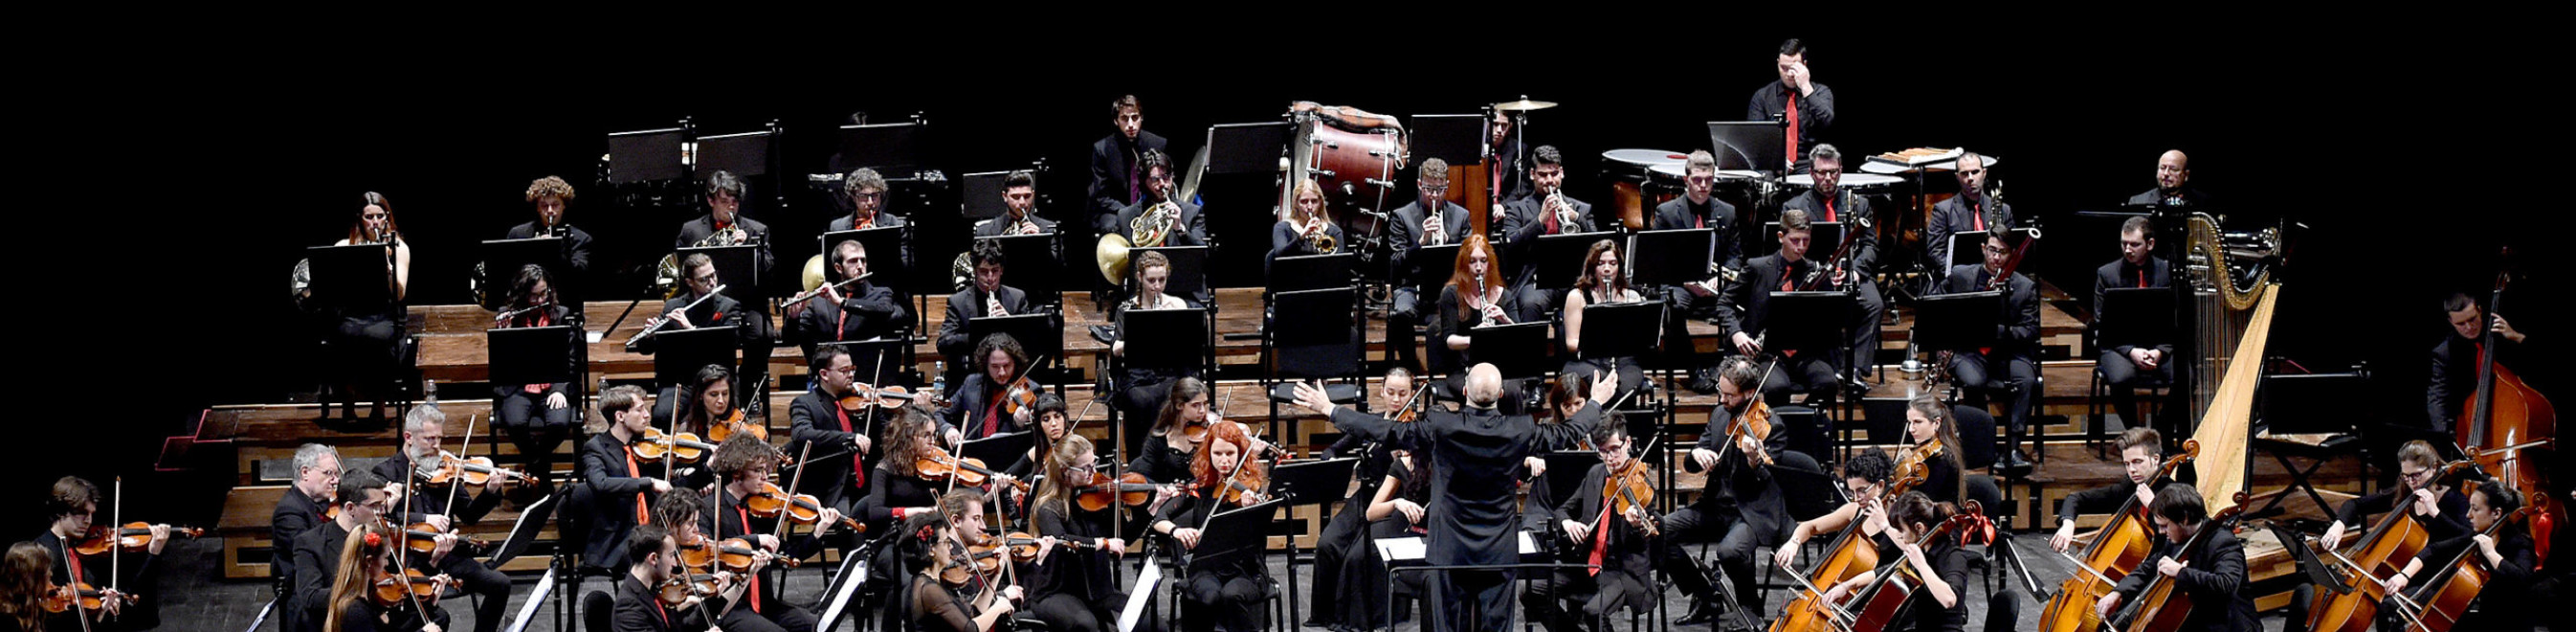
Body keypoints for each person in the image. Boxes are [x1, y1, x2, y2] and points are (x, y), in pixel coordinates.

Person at [1294, 364, 1615, 632]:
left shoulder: (1441, 425)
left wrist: (1330, 409)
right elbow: (1567, 433)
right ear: (1502, 395)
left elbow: (1384, 430)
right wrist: (1595, 403)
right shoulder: (1519, 428)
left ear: (1464, 393)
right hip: (1497, 553)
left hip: (1449, 550)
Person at [1669, 356, 1796, 624]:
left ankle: (1750, 609)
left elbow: (1767, 479)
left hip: (1750, 512)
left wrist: (1753, 460)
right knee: (1657, 529)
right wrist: (1698, 452)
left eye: (1728, 395)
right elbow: (1692, 463)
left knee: (1730, 551)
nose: (1721, 400)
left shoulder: (1773, 426)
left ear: (1749, 393)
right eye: (1720, 391)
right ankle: (1705, 594)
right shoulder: (1719, 415)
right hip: (1715, 507)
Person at [370, 406, 509, 632]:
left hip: (448, 555)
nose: (437, 446)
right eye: (429, 439)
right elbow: (384, 517)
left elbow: (470, 514)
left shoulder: (444, 467)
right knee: (437, 616)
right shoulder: (385, 472)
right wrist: (425, 518)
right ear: (409, 438)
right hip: (409, 560)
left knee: (500, 584)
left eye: (439, 438)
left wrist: (491, 490)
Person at [1307, 368, 1418, 628]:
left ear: (1412, 395)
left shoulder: (1414, 430)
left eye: (1403, 394)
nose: (1396, 399)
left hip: (1397, 501)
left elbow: (1418, 479)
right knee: (1328, 544)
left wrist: (1400, 460)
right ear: (1381, 391)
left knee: (1359, 556)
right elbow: (1333, 449)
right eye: (1390, 392)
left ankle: (1356, 618)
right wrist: (1332, 459)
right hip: (1366, 495)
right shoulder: (1371, 423)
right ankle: (1324, 614)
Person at [1527, 424, 1657, 632]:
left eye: (1615, 449)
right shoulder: (1596, 474)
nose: (1610, 458)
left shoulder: (1643, 487)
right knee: (1531, 591)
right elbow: (1562, 510)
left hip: (1621, 571)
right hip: (1588, 564)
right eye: (1603, 451)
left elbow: (1638, 546)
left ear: (1628, 443)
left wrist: (1635, 526)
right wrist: (1568, 523)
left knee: (1593, 612)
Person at [1146, 420, 1274, 632]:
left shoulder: (1249, 489)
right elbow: (1159, 517)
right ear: (1209, 454)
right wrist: (1176, 530)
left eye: (1230, 453)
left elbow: (1259, 533)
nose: (1224, 460)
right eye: (1218, 453)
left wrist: (1249, 510)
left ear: (1241, 453)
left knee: (1232, 595)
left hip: (1245, 570)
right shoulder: (1200, 486)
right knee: (1209, 596)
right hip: (1206, 569)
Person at [1779, 144, 1887, 386]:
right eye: (1821, 172)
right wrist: (1822, 275)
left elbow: (1871, 247)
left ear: (1841, 170)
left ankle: (1854, 371)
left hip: (1850, 274)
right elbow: (1790, 250)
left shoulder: (1859, 204)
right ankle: (1824, 366)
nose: (1828, 178)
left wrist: (1857, 273)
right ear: (1811, 173)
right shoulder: (1794, 207)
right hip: (1813, 276)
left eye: (1833, 172)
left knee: (1874, 304)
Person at [701, 436, 833, 632]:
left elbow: (787, 556)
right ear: (737, 472)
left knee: (811, 624)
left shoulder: (762, 511)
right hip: (729, 606)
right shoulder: (709, 508)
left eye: (766, 470)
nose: (765, 477)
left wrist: (817, 532)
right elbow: (707, 548)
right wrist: (756, 540)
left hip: (764, 603)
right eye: (757, 470)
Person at [1719, 210, 1844, 406]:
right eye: (1795, 240)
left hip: (1806, 353)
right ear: (1780, 237)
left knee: (1827, 384)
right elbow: (1724, 302)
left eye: (1806, 240)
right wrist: (1737, 334)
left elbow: (1831, 317)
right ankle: (1778, 431)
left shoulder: (1816, 272)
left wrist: (1834, 289)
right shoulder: (1757, 267)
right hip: (1768, 352)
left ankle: (1804, 425)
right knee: (1777, 388)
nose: (1801, 247)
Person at [1943, 230, 2042, 470]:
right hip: (1969, 351)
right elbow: (1941, 309)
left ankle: (2013, 448)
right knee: (1973, 381)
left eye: (2003, 252)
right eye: (1992, 250)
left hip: (2008, 352)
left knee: (2026, 380)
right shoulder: (1960, 276)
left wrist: (1992, 330)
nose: (1996, 257)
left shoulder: (2024, 287)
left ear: (2012, 254)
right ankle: (1982, 443)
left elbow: (2029, 331)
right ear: (1983, 248)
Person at [2093, 485, 2254, 632]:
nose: (2162, 532)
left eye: (2164, 525)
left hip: (2223, 624)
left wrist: (2180, 572)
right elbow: (2148, 568)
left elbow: (2226, 583)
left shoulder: (2222, 542)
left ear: (2184, 519)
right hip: (2192, 617)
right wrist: (2118, 593)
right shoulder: (2177, 539)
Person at [2379, 484, 2539, 632]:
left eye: (2475, 509)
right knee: (2389, 609)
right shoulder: (2479, 535)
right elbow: (2433, 550)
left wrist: (2492, 554)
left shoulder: (2520, 543)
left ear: (2497, 513)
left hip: (2509, 622)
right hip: (2481, 613)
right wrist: (2404, 575)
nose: (2468, 515)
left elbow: (2522, 579)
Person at [676, 170, 777, 397]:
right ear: (710, 200)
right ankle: (700, 391)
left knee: (764, 336)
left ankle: (745, 384)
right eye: (724, 201)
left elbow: (769, 269)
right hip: (706, 305)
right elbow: (681, 269)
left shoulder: (756, 230)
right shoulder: (691, 231)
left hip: (745, 303)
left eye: (735, 201)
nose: (731, 207)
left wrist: (748, 248)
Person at [1653, 150, 1743, 394]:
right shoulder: (1667, 212)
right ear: (1686, 179)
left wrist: (1720, 278)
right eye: (1697, 180)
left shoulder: (1728, 211)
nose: (1703, 186)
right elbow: (1659, 259)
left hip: (1716, 282)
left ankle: (1725, 368)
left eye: (1709, 180)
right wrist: (1687, 281)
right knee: (1672, 307)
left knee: (1750, 301)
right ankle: (1694, 371)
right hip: (1681, 282)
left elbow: (1735, 257)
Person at [1817, 492, 1971, 632]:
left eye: (1901, 531)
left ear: (1919, 528)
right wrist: (1846, 586)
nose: (1899, 537)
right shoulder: (1922, 549)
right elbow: (1885, 572)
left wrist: (1922, 565)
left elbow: (1949, 600)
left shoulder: (1954, 556)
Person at [320, 192, 411, 423]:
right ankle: (347, 402)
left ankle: (378, 404)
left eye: (380, 216)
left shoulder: (398, 247)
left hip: (386, 315)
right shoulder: (345, 246)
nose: (375, 222)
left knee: (377, 337)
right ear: (360, 218)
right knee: (345, 334)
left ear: (387, 218)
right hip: (355, 314)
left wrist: (388, 266)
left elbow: (400, 293)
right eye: (369, 217)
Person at [1025, 435, 1127, 632]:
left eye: (1093, 463)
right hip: (1054, 591)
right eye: (1086, 468)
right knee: (1086, 625)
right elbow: (1063, 542)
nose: (1094, 472)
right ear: (1065, 471)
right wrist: (1103, 543)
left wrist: (1152, 508)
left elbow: (1127, 537)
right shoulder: (1048, 507)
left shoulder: (1094, 498)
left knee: (1150, 622)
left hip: (1094, 591)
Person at [33, 477, 163, 632]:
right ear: (61, 512)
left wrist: (153, 553)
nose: (89, 520)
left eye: (91, 514)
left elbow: (130, 591)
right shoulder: (40, 554)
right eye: (82, 513)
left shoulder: (90, 550)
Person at [490, 264, 577, 494]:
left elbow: (571, 358)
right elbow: (501, 364)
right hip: (518, 386)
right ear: (522, 294)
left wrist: (559, 389)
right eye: (534, 295)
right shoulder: (507, 315)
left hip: (553, 385)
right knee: (515, 422)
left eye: (544, 293)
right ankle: (542, 469)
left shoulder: (562, 314)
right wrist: (504, 333)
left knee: (559, 422)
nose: (540, 300)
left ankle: (535, 466)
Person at [782, 346, 878, 540]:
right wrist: (848, 438)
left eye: (852, 369)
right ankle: (852, 569)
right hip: (831, 488)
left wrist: (878, 406)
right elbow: (801, 434)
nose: (851, 375)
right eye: (844, 371)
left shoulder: (860, 401)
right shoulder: (805, 404)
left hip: (865, 484)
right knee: (852, 525)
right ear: (824, 374)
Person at [633, 254, 761, 398]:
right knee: (663, 416)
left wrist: (690, 329)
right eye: (703, 280)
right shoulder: (673, 306)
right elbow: (644, 349)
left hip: (716, 382)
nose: (712, 283)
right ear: (690, 282)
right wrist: (649, 335)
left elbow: (727, 345)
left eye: (713, 275)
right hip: (681, 382)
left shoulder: (729, 307)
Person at [1388, 159, 1475, 373]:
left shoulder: (1461, 216)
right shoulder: (1402, 216)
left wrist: (1448, 243)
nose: (1434, 195)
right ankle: (1411, 367)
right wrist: (1421, 242)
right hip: (1413, 286)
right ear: (1419, 185)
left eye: (1439, 189)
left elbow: (1471, 258)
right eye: (1429, 189)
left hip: (1447, 286)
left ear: (1446, 185)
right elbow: (1396, 260)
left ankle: (1454, 370)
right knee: (1400, 313)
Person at [1108, 250, 1199, 453]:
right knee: (1139, 400)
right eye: (1151, 281)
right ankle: (1140, 458)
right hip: (1139, 376)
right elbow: (1115, 348)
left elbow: (1188, 345)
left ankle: (1176, 454)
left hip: (1170, 372)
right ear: (1140, 278)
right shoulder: (1127, 308)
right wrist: (1143, 334)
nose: (1157, 286)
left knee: (1177, 395)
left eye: (1161, 280)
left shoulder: (1177, 305)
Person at [2094, 217, 2176, 438]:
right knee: (2120, 377)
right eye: (2124, 244)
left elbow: (2177, 318)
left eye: (2134, 244)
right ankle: (2136, 433)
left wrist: (2160, 351)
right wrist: (2131, 351)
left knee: (2186, 378)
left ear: (2150, 244)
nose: (2127, 249)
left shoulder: (2169, 272)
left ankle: (2161, 431)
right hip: (2119, 345)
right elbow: (2102, 322)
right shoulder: (2107, 274)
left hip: (2160, 345)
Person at [583, 385, 677, 575]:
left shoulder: (643, 446)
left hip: (650, 533)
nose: (647, 415)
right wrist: (647, 482)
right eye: (639, 409)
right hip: (618, 540)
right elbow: (601, 484)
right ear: (620, 416)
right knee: (656, 561)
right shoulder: (596, 448)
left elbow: (666, 480)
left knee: (676, 557)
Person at [2319, 440, 2472, 552]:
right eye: (2406, 476)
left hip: (2435, 576)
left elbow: (2468, 538)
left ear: (2434, 468)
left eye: (2417, 475)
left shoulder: (2454, 499)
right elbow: (2355, 505)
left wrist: (2435, 513)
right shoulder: (2405, 492)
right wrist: (2339, 525)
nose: (2412, 481)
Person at [295, 470, 399, 632]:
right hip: (338, 622)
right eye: (375, 506)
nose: (383, 512)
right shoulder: (310, 542)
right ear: (350, 508)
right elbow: (311, 597)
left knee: (437, 617)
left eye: (382, 505)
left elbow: (395, 578)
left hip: (377, 615)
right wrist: (358, 588)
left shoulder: (378, 534)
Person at [1500, 146, 1596, 320]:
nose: (1549, 180)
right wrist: (1539, 221)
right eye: (1543, 175)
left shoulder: (1581, 208)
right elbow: (1509, 245)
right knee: (1531, 305)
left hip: (1575, 281)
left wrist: (1576, 218)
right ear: (1532, 175)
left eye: (1554, 174)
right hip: (1535, 282)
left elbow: (1598, 248)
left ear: (1562, 173)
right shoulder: (1516, 209)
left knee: (1596, 300)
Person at [2052, 429, 2181, 552]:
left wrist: (2154, 507)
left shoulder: (2172, 492)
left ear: (2155, 459)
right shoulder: (2128, 486)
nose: (2132, 470)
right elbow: (2076, 499)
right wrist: (2067, 524)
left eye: (2137, 462)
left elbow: (2172, 542)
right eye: (2127, 464)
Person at [1772, 449, 1900, 571]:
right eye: (1852, 492)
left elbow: (1912, 550)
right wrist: (1794, 542)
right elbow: (1811, 526)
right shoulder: (1855, 510)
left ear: (1880, 485)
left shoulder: (1900, 513)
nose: (1856, 498)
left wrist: (1885, 526)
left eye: (1862, 491)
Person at [899, 510, 1025, 632]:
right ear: (931, 549)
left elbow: (973, 613)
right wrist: (998, 607)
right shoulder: (929, 589)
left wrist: (997, 573)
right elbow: (971, 629)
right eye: (946, 542)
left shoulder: (934, 582)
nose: (952, 546)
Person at [786, 239, 908, 364]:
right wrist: (793, 318)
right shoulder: (820, 302)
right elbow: (790, 340)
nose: (860, 266)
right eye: (853, 261)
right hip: (828, 376)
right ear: (839, 268)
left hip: (866, 372)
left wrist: (842, 303)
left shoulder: (880, 294)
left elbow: (885, 309)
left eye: (863, 260)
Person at [940, 239, 1037, 383]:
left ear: (1002, 270)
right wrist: (980, 332)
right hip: (972, 376)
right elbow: (943, 343)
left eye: (995, 271)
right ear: (975, 271)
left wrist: (1009, 323)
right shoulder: (958, 302)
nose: (990, 278)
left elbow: (1031, 342)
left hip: (1009, 375)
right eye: (984, 272)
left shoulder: (1017, 298)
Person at [1432, 235, 1520, 395]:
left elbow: (1518, 339)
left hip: (1499, 365)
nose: (1478, 267)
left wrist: (1505, 320)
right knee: (1480, 390)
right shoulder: (1452, 294)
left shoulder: (1505, 296)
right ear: (1464, 264)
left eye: (1483, 261)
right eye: (1472, 261)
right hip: (1463, 367)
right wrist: (1477, 339)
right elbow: (1450, 340)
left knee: (1512, 391)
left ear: (1490, 263)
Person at [321, 521, 448, 632]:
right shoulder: (355, 611)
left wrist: (430, 604)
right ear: (369, 561)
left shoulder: (368, 596)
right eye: (386, 558)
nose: (387, 564)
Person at [611, 524, 741, 632]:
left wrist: (714, 597)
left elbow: (684, 627)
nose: (675, 563)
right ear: (653, 558)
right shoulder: (629, 608)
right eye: (671, 555)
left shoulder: (655, 586)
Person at [1560, 239, 1647, 400]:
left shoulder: (1632, 297)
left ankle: (1620, 425)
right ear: (1592, 267)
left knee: (1626, 386)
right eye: (1601, 264)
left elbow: (1640, 339)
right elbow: (1572, 343)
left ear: (1619, 267)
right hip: (1586, 361)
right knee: (1601, 382)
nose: (1607, 269)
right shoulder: (1577, 297)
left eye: (1612, 263)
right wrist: (1599, 345)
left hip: (1624, 362)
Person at [2431, 292, 2528, 433]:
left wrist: (2517, 337)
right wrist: (2443, 434)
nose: (2469, 327)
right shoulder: (2445, 352)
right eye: (2460, 324)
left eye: (2472, 319)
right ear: (2451, 322)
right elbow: (2437, 396)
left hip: (2515, 416)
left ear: (2480, 311)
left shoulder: (2503, 329)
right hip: (2474, 425)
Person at [274, 443, 344, 632]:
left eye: (336, 474)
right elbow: (315, 552)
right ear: (305, 473)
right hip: (305, 605)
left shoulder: (320, 503)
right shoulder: (289, 512)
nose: (335, 480)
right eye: (328, 473)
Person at [1089, 95, 1169, 241]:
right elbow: (1101, 195)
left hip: (1151, 206)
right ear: (1116, 120)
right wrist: (1128, 213)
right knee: (1109, 227)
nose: (1131, 125)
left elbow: (1166, 181)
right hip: (1116, 209)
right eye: (1124, 119)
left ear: (1141, 118)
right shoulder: (1102, 149)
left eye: (1135, 117)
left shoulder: (1158, 144)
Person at [1748, 38, 1834, 171]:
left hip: (1811, 165)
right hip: (1773, 164)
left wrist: (1805, 86)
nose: (1789, 74)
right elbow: (1754, 139)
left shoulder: (1821, 92)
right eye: (1784, 68)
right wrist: (1775, 160)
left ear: (1805, 65)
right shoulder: (1763, 96)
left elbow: (1827, 121)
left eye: (1794, 68)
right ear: (1777, 63)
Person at [503, 175, 593, 298]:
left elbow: (578, 275)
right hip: (525, 301)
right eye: (544, 206)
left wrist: (553, 250)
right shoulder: (518, 234)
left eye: (555, 205)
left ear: (564, 206)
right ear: (538, 208)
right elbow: (508, 272)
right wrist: (534, 249)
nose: (550, 211)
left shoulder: (580, 239)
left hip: (563, 302)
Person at [943, 333, 1038, 441]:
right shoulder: (971, 384)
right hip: (972, 455)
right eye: (995, 367)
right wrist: (948, 429)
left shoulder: (1032, 390)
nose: (1002, 373)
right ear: (985, 364)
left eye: (1006, 366)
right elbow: (941, 413)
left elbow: (1040, 435)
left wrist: (1021, 425)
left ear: (1015, 363)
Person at [1925, 152, 2010, 272]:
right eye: (1964, 174)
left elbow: (2011, 248)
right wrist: (1958, 276)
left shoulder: (2003, 209)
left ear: (1984, 173)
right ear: (1957, 176)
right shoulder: (1943, 210)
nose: (1970, 178)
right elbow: (1936, 252)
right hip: (1958, 279)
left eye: (1975, 172)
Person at [1113, 148, 1209, 249]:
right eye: (1155, 179)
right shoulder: (1125, 217)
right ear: (1144, 181)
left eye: (1166, 176)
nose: (1162, 183)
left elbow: (1201, 254)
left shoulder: (1193, 213)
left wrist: (1181, 229)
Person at [829, 168, 914, 274]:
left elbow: (907, 265)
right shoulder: (837, 227)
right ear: (853, 197)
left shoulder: (896, 224)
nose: (870, 202)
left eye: (875, 196)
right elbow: (833, 268)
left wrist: (879, 243)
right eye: (864, 196)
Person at [1268, 179, 1345, 281]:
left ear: (1321, 202)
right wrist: (1302, 236)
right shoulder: (1282, 228)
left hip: (1324, 284)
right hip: (1291, 284)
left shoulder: (1334, 232)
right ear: (1296, 203)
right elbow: (1279, 256)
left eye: (1314, 201)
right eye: (1304, 202)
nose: (1309, 207)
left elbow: (1339, 266)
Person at [1902, 395, 1968, 505]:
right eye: (1909, 422)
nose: (1911, 429)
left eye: (1917, 422)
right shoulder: (1924, 449)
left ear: (1937, 423)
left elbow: (1925, 505)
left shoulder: (1941, 458)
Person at [2, 542, 71, 632]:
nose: (51, 574)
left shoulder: (35, 609)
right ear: (34, 578)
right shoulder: (8, 617)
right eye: (47, 570)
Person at [973, 170, 1056, 237]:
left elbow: (1056, 258)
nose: (1022, 202)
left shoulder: (1049, 229)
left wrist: (1040, 241)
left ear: (1033, 195)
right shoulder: (984, 232)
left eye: (1027, 196)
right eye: (1016, 197)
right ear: (1005, 196)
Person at [2126, 150, 2212, 209]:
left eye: (2173, 169)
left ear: (2186, 175)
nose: (2166, 173)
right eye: (2162, 168)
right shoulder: (2138, 202)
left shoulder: (2203, 202)